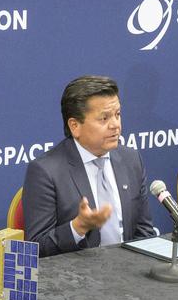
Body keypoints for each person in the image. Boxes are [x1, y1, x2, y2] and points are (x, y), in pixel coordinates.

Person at [23, 75, 155, 256]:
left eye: (117, 115)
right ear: (75, 126)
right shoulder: (46, 171)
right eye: (104, 118)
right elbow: (37, 248)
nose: (115, 125)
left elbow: (144, 232)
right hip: (76, 278)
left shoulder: (131, 160)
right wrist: (78, 227)